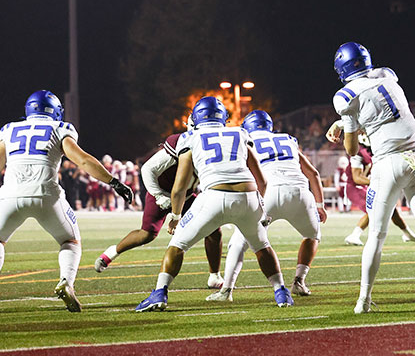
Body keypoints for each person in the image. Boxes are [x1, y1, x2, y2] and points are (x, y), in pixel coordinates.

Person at [135, 97, 292, 312]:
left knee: (177, 245)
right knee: (262, 247)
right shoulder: (240, 132)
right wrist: (261, 207)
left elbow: (180, 187)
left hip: (214, 196)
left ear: (196, 116)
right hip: (247, 196)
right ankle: (281, 291)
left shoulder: (190, 137)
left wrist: (175, 215)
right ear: (223, 118)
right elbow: (262, 180)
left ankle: (159, 293)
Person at [327, 42, 415, 313]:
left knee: (377, 236)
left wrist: (344, 126)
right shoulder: (386, 75)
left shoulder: (344, 97)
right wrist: (343, 121)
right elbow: (379, 98)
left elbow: (353, 148)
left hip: (387, 164)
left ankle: (363, 301)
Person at [0, 90, 133, 312]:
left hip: (9, 195)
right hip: (46, 194)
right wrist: (114, 182)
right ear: (55, 110)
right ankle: (66, 283)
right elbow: (83, 160)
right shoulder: (60, 128)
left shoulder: (9, 129)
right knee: (70, 241)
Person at [206, 110, 327, 301]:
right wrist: (320, 205)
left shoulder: (244, 138)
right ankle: (299, 281)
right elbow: (313, 174)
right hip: (300, 192)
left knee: (239, 242)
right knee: (312, 235)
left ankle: (226, 290)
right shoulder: (288, 140)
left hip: (268, 192)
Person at [94, 119, 224, 290]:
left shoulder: (219, 143)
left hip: (185, 195)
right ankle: (112, 252)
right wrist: (158, 195)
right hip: (162, 191)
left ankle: (214, 276)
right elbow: (147, 169)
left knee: (214, 230)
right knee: (147, 234)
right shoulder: (180, 142)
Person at [341, 133, 415, 246]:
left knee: (391, 208)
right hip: (355, 188)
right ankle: (354, 235)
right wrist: (378, 181)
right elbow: (357, 178)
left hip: (365, 187)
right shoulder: (358, 153)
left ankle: (408, 234)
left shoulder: (372, 153)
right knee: (375, 207)